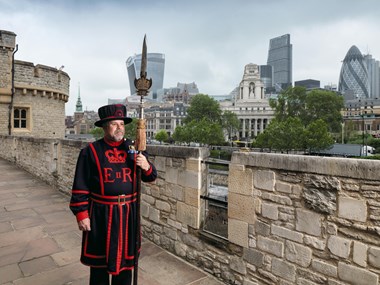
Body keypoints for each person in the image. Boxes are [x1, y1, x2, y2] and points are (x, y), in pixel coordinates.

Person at [69, 104, 157, 285]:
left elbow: (151, 176)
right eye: (114, 124)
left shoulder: (135, 149)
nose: (119, 128)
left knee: (126, 265)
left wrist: (146, 165)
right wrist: (82, 214)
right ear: (104, 126)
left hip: (128, 215)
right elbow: (80, 185)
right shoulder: (90, 152)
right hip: (101, 214)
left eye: (122, 124)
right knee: (100, 266)